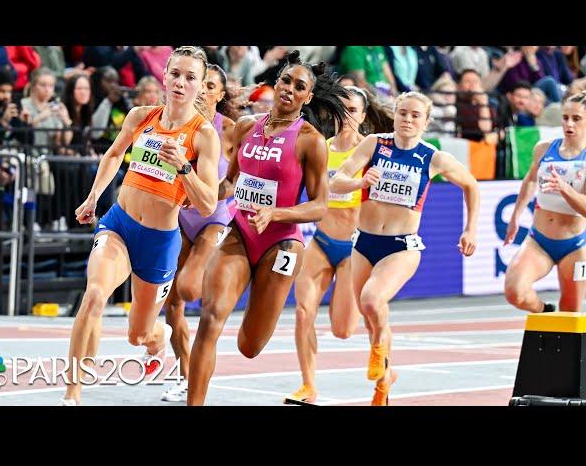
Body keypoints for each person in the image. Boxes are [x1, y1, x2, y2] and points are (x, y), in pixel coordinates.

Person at [59, 46, 221, 405]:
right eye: (175, 74)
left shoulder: (204, 135)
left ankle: (157, 336)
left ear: (199, 86)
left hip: (159, 241)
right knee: (95, 295)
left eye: (190, 77)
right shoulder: (141, 116)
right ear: (164, 75)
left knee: (138, 335)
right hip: (120, 223)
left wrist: (184, 167)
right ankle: (72, 394)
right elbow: (115, 153)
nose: (180, 82)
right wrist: (93, 197)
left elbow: (208, 202)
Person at [187, 50, 350, 405]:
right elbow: (228, 185)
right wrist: (197, 194)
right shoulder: (247, 126)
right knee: (211, 317)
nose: (290, 89)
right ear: (276, 84)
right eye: (286, 81)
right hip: (239, 233)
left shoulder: (310, 141)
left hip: (281, 245)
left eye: (299, 86)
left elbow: (320, 205)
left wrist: (275, 214)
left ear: (308, 96)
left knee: (250, 345)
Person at [329, 91, 479, 405]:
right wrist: (360, 182)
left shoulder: (432, 156)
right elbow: (336, 181)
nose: (407, 120)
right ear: (394, 115)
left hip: (401, 246)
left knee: (371, 300)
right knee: (371, 318)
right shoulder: (374, 144)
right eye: (403, 113)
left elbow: (471, 185)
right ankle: (384, 383)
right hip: (364, 242)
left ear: (425, 122)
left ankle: (380, 353)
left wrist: (470, 228)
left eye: (415, 115)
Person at [285, 85, 394, 404]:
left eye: (353, 110)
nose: (346, 115)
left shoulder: (370, 151)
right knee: (303, 310)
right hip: (320, 241)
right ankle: (308, 386)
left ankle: (387, 370)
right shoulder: (322, 147)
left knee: (344, 330)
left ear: (362, 116)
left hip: (353, 249)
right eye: (341, 108)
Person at [159, 64, 236, 402]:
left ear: (220, 94)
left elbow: (241, 179)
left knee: (189, 288)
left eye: (210, 86)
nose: (202, 90)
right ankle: (186, 373)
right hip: (182, 217)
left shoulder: (230, 130)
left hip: (214, 219)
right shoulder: (179, 123)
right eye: (198, 84)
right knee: (171, 304)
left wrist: (214, 193)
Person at [504, 91, 586, 315]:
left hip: (576, 246)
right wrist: (515, 217)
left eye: (576, 118)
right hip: (539, 240)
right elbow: (531, 180)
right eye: (565, 117)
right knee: (514, 291)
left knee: (570, 312)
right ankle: (544, 312)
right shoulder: (544, 149)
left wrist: (565, 189)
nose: (568, 123)